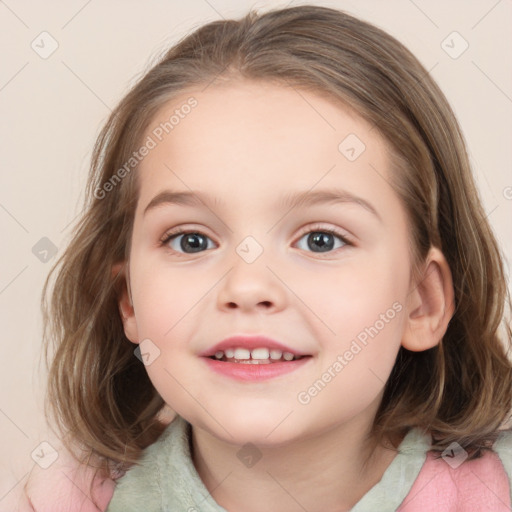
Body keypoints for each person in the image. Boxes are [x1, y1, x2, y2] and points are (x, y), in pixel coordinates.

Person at [17, 4, 512, 511]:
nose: (247, 287)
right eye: (192, 240)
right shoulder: (62, 500)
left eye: (321, 240)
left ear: (421, 302)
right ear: (129, 303)